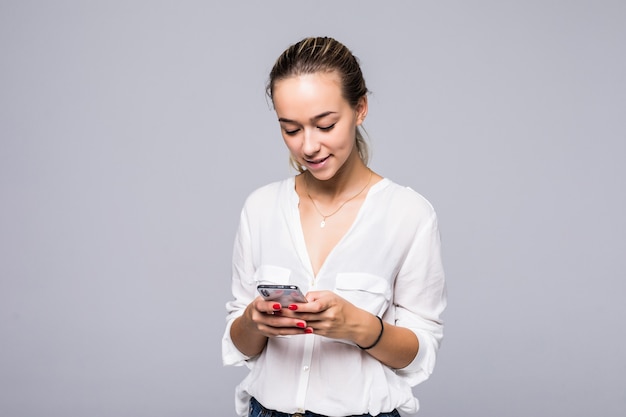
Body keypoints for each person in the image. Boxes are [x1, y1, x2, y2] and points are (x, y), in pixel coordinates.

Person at [222, 36, 446, 417]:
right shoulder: (259, 208)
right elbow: (240, 344)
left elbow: (419, 355)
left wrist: (359, 327)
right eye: (291, 130)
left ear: (360, 109)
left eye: (325, 125)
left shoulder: (409, 214)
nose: (308, 146)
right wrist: (253, 320)